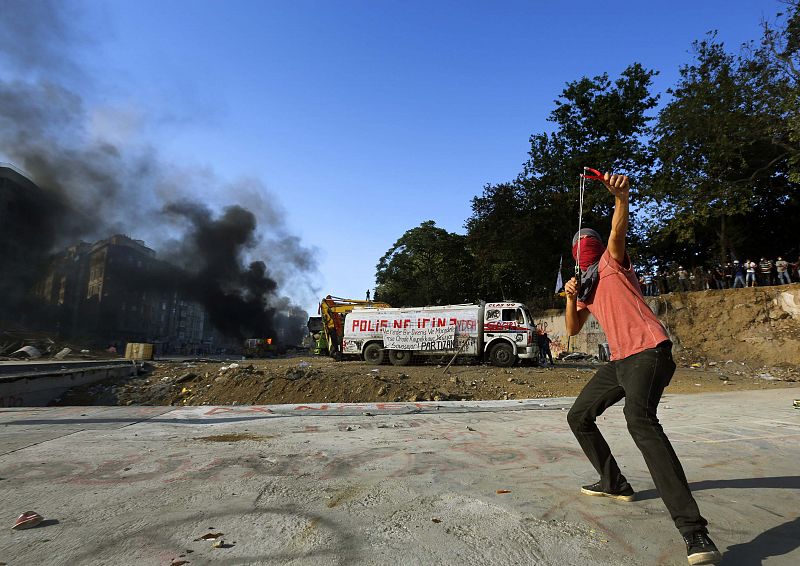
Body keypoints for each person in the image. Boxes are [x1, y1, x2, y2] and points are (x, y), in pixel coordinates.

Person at [564, 172, 721, 566]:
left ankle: (695, 533)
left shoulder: (611, 263)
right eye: (580, 245)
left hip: (649, 351)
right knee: (579, 416)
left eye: (590, 242)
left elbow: (618, 231)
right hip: (620, 361)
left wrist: (621, 199)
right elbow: (571, 329)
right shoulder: (585, 285)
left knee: (639, 419)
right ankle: (614, 483)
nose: (586, 247)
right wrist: (569, 296)